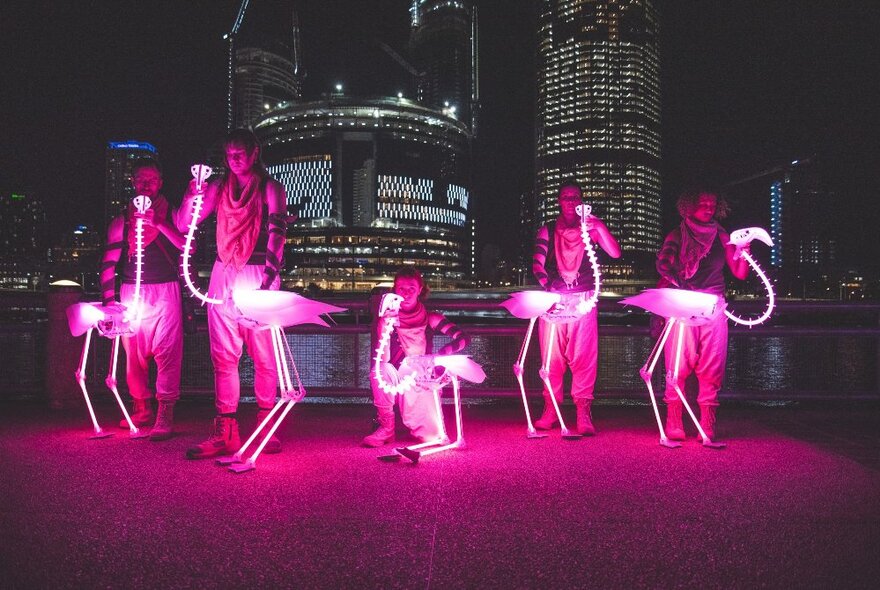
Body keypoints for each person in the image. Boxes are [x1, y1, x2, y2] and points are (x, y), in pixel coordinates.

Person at [180, 129, 289, 459]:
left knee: (264, 355)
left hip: (258, 270)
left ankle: (265, 424)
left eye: (240, 152)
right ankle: (226, 429)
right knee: (223, 355)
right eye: (229, 154)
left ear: (255, 153)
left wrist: (270, 278)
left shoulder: (271, 188)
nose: (235, 159)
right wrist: (191, 194)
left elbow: (277, 232)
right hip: (223, 270)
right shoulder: (216, 187)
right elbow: (188, 223)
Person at [99, 157, 185, 441]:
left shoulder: (172, 214)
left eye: (152, 179)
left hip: (165, 291)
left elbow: (187, 246)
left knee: (168, 351)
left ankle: (165, 412)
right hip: (131, 292)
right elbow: (109, 262)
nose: (146, 184)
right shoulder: (122, 220)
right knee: (133, 355)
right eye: (141, 179)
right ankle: (141, 407)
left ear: (160, 183)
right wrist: (109, 301)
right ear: (133, 182)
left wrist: (158, 223)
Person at [656, 189, 749, 441]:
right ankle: (674, 420)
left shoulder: (722, 236)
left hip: (713, 306)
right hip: (683, 305)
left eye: (712, 203)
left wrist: (744, 251)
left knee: (712, 365)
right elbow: (663, 264)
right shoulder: (677, 234)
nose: (708, 207)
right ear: (689, 206)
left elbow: (739, 273)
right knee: (677, 363)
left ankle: (707, 422)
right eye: (703, 203)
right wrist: (681, 283)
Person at [531, 179, 621, 435]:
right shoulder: (547, 230)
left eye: (575, 197)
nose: (571, 202)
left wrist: (600, 227)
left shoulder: (590, 229)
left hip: (584, 298)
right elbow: (537, 265)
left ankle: (583, 411)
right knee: (551, 357)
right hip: (554, 300)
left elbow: (615, 253)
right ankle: (551, 409)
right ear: (559, 202)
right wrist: (551, 288)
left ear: (582, 201)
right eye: (566, 197)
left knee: (583, 356)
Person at [362, 268, 470, 447]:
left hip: (420, 375)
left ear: (420, 289)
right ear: (395, 290)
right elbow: (384, 356)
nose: (406, 293)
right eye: (401, 289)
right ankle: (386, 428)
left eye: (411, 288)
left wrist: (439, 357)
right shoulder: (388, 318)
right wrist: (384, 324)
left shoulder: (431, 318)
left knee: (431, 436)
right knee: (379, 370)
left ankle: (423, 425)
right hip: (394, 374)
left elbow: (463, 338)